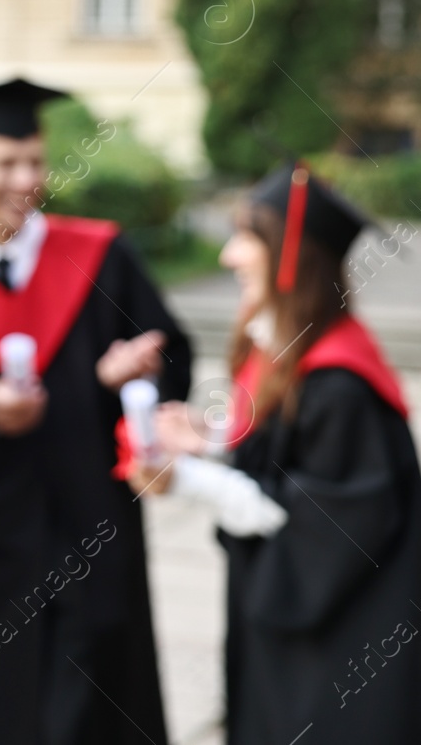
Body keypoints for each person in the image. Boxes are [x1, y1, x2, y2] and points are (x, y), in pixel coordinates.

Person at [0, 78, 192, 745]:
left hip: (95, 536)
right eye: (6, 162)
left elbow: (174, 363)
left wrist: (135, 374)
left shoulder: (104, 259)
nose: (26, 179)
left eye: (35, 160)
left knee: (103, 709)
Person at [138, 163, 421, 744]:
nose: (229, 257)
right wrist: (213, 440)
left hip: (341, 646)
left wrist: (188, 479)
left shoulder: (341, 385)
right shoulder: (290, 353)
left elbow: (313, 530)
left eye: (248, 239)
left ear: (293, 259)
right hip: (297, 638)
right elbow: (280, 463)